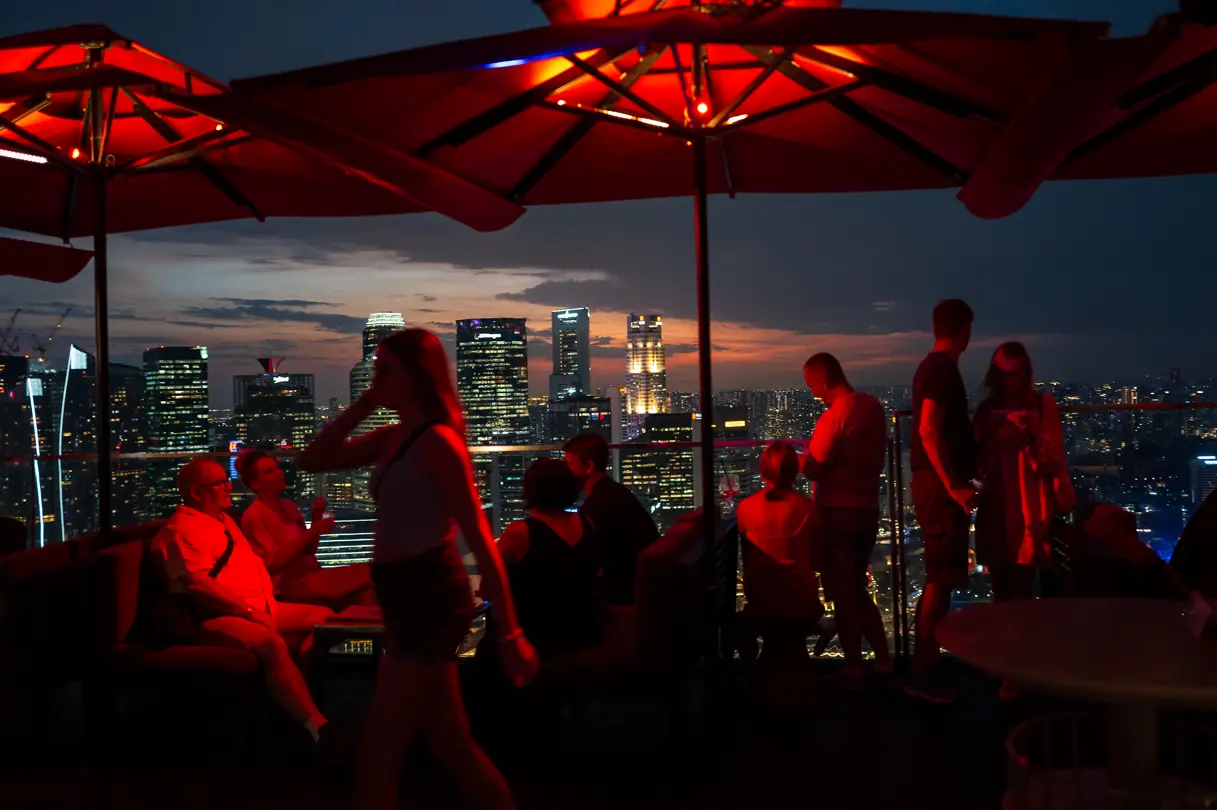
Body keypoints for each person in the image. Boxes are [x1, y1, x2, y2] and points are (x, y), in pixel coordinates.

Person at [297, 328, 536, 810]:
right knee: (451, 744)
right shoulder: (394, 438)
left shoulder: (438, 444)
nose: (376, 376)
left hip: (429, 599)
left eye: (387, 369)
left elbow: (478, 538)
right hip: (409, 597)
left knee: (379, 751)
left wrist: (510, 634)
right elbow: (312, 459)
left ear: (416, 376)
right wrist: (364, 404)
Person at [150, 458, 337, 747]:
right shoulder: (181, 531)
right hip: (218, 617)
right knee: (271, 643)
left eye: (227, 479)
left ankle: (296, 698)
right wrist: (247, 611)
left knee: (325, 619)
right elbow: (197, 584)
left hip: (262, 607)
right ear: (198, 493)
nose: (228, 486)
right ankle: (318, 727)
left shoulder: (223, 520)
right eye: (220, 483)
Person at [802, 353, 892, 680]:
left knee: (843, 593)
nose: (813, 393)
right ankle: (883, 659)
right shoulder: (872, 407)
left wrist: (799, 461)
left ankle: (854, 666)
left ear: (825, 382)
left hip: (837, 512)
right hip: (868, 509)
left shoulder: (834, 417)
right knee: (857, 589)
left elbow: (818, 466)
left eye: (813, 386)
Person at [907, 299, 979, 702]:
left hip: (932, 485)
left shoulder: (930, 369)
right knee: (940, 578)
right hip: (938, 488)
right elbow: (930, 430)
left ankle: (927, 665)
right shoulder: (942, 372)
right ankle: (925, 669)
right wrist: (953, 484)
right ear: (965, 329)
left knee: (942, 576)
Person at [973, 343, 1075, 602]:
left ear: (1026, 374)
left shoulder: (1042, 406)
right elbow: (975, 462)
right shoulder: (986, 413)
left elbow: (1053, 458)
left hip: (1029, 508)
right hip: (997, 508)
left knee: (1021, 585)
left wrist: (1032, 431)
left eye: (1014, 373)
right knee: (1003, 588)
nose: (1008, 381)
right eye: (1003, 373)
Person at [492, 458, 603, 659]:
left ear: (530, 490)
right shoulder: (587, 524)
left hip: (537, 639)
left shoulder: (520, 532)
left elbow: (489, 587)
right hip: (585, 632)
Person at [238, 449, 374, 610]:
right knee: (370, 572)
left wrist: (316, 517)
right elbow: (273, 564)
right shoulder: (254, 515)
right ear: (255, 483)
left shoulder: (289, 507)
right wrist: (313, 530)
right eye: (269, 471)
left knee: (367, 592)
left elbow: (309, 550)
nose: (279, 473)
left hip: (311, 574)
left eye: (277, 468)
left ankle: (361, 629)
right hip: (288, 584)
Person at [736, 442, 824, 662]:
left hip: (761, 599)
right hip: (800, 600)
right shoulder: (808, 509)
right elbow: (819, 560)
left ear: (762, 470)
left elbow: (747, 560)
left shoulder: (745, 508)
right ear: (795, 471)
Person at [563, 432, 659, 605]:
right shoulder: (616, 491)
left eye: (570, 464)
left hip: (625, 596)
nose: (566, 472)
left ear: (589, 466)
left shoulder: (596, 507)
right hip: (645, 588)